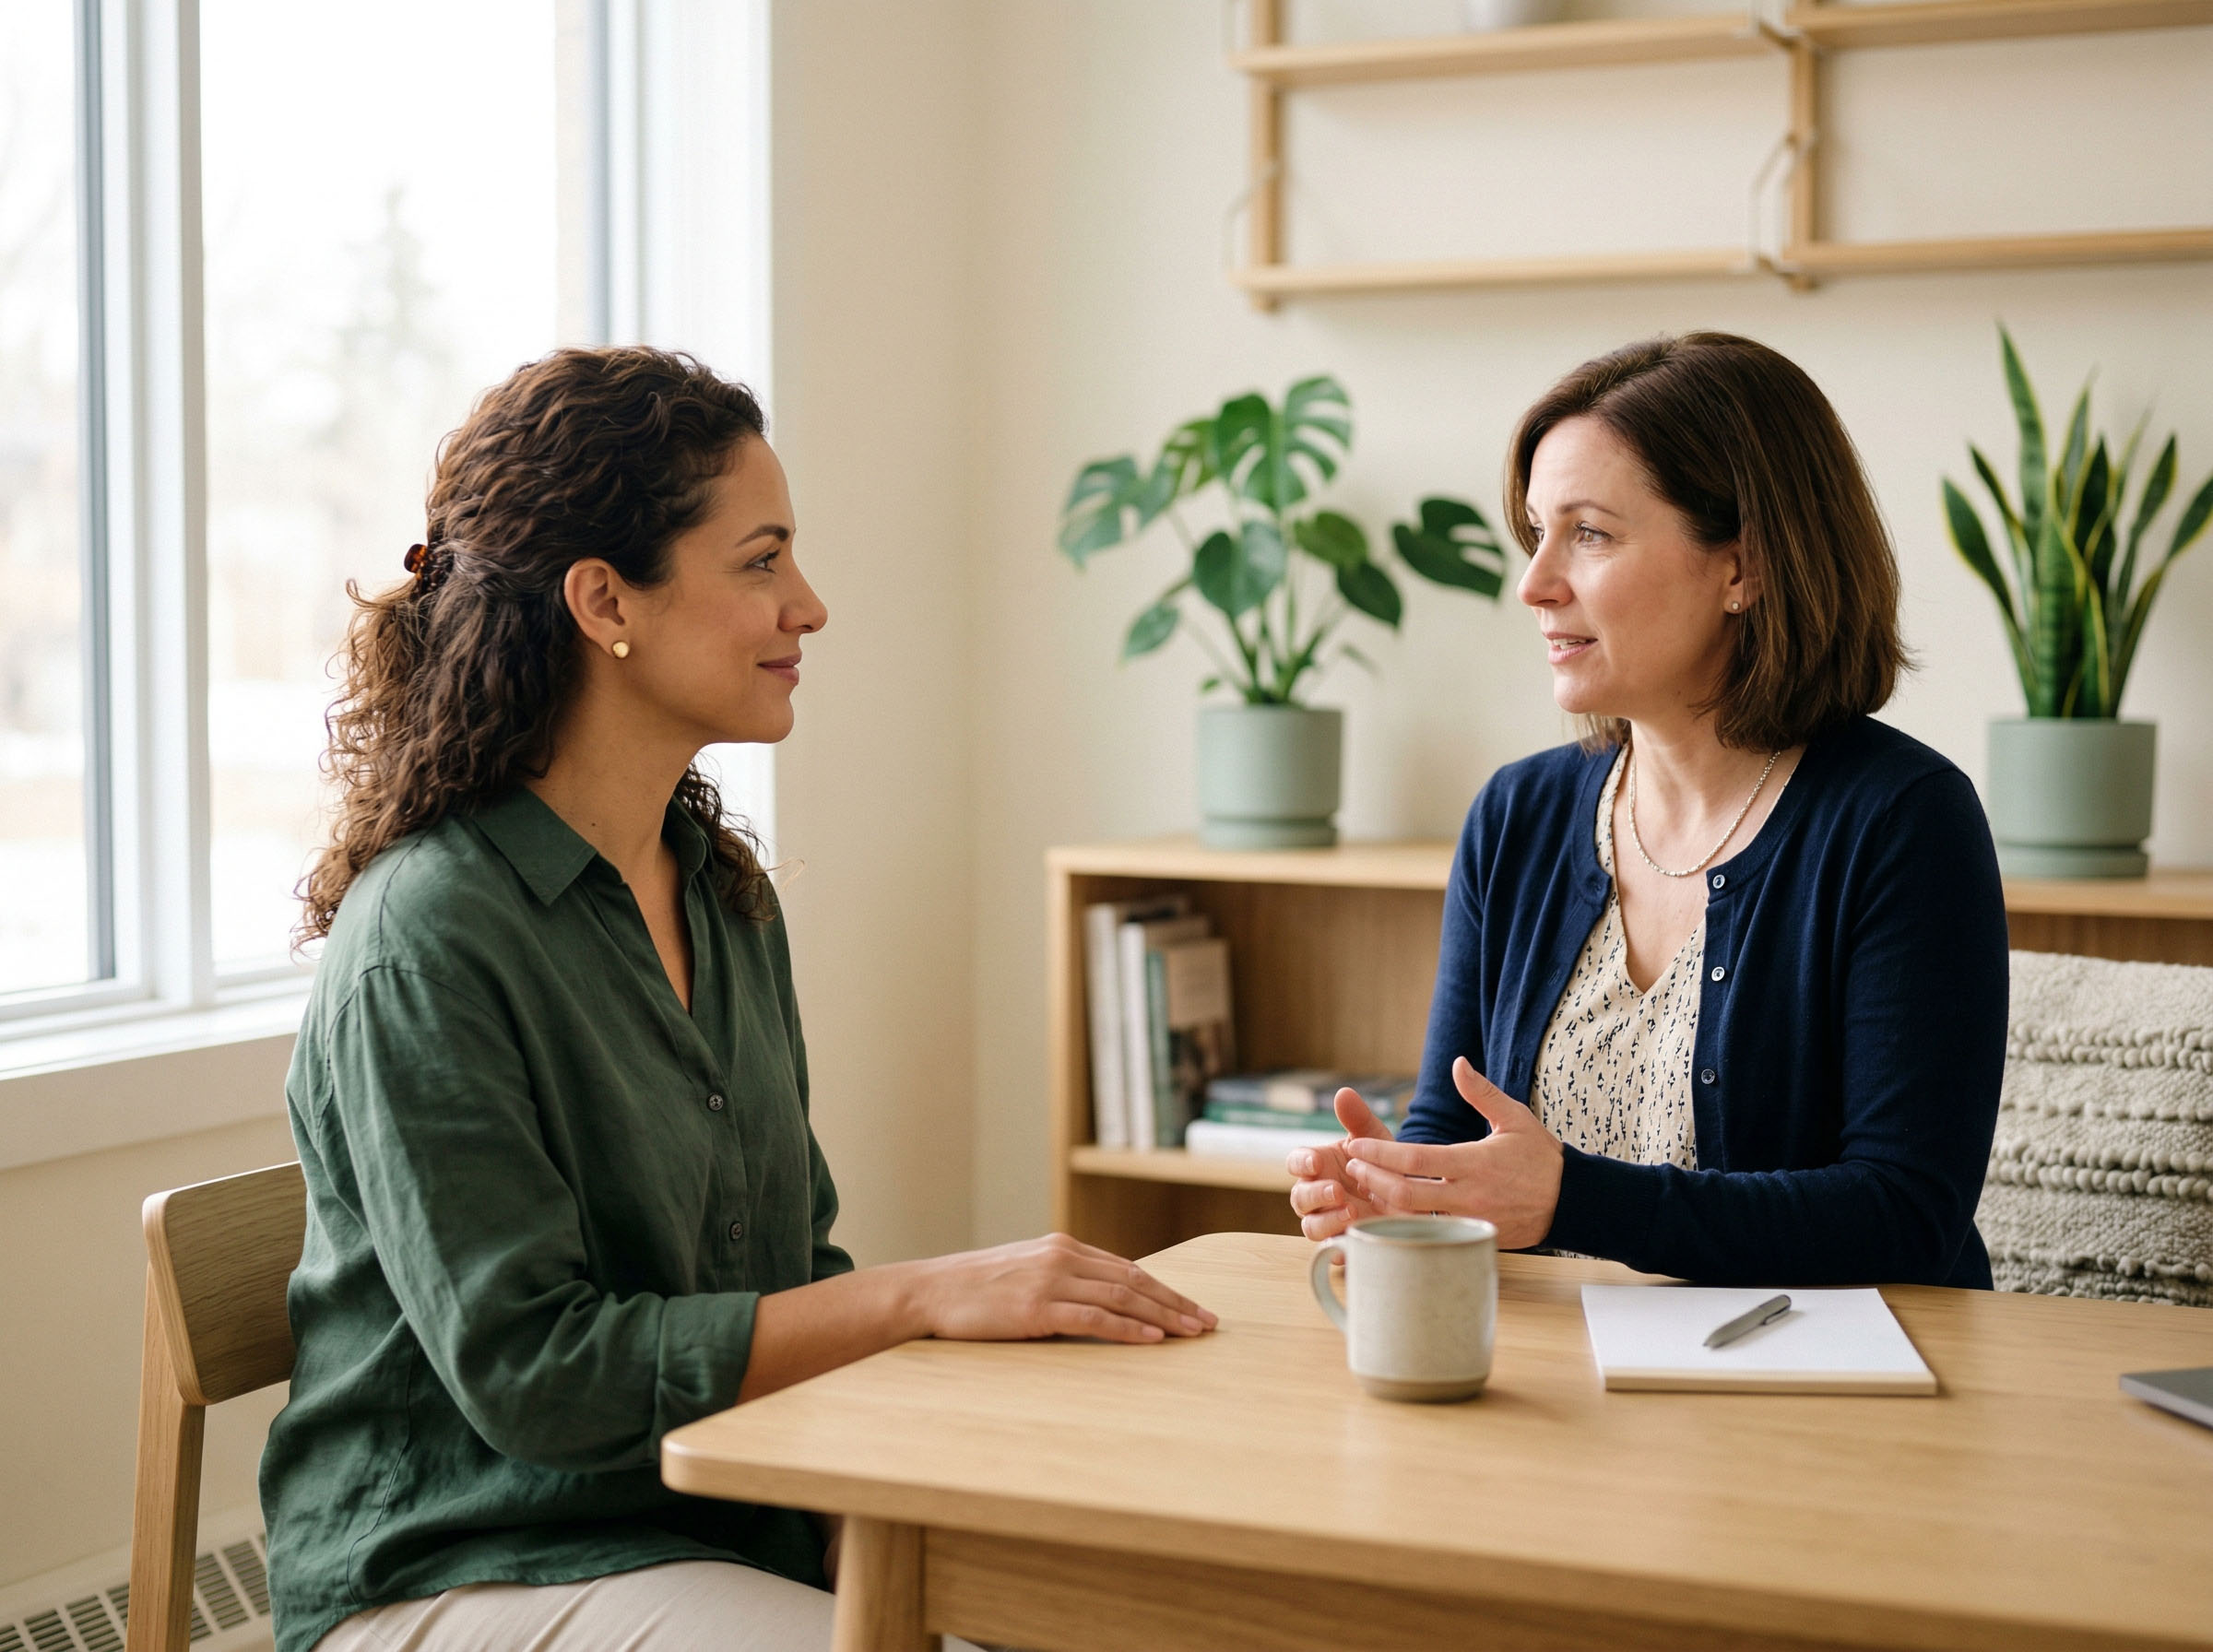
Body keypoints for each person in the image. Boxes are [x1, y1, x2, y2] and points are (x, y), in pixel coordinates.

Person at [262, 346, 1215, 1652]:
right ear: (607, 600)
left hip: (709, 1532)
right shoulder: (428, 940)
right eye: (761, 561)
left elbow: (787, 1267)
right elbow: (539, 1378)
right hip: (463, 1565)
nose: (809, 607)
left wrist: (879, 1507)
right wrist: (930, 1293)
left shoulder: (720, 891)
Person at [1288, 332, 2009, 1289]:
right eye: (1537, 530)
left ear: (1742, 568)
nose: (1533, 582)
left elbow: (1904, 1212)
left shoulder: (1904, 822)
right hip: (1558, 1389)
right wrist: (1401, 1187)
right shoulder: (1517, 815)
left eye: (1588, 533)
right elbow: (1454, 1129)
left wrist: (1571, 1202)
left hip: (1831, 1406)